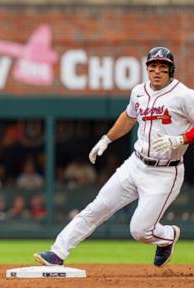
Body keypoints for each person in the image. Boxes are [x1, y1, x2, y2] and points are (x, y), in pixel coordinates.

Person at [34, 47, 194, 268]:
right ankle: (57, 253)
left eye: (162, 67)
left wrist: (181, 139)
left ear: (171, 70)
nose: (157, 71)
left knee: (139, 231)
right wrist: (106, 139)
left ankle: (167, 236)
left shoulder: (185, 95)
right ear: (147, 69)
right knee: (97, 207)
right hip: (136, 164)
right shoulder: (139, 91)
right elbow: (128, 118)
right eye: (153, 67)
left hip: (166, 172)